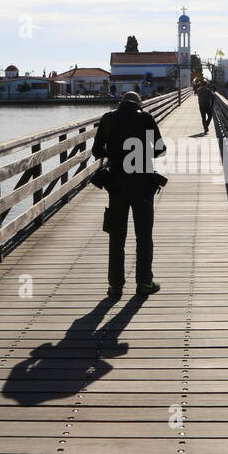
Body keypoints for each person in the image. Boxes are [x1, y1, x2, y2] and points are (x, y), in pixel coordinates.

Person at [92, 91, 166, 299]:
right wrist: (142, 154)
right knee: (144, 236)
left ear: (121, 102)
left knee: (116, 236)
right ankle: (144, 282)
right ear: (138, 103)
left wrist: (114, 154)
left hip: (115, 185)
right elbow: (160, 149)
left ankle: (115, 286)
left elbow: (97, 150)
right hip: (142, 184)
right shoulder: (145, 118)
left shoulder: (108, 118)